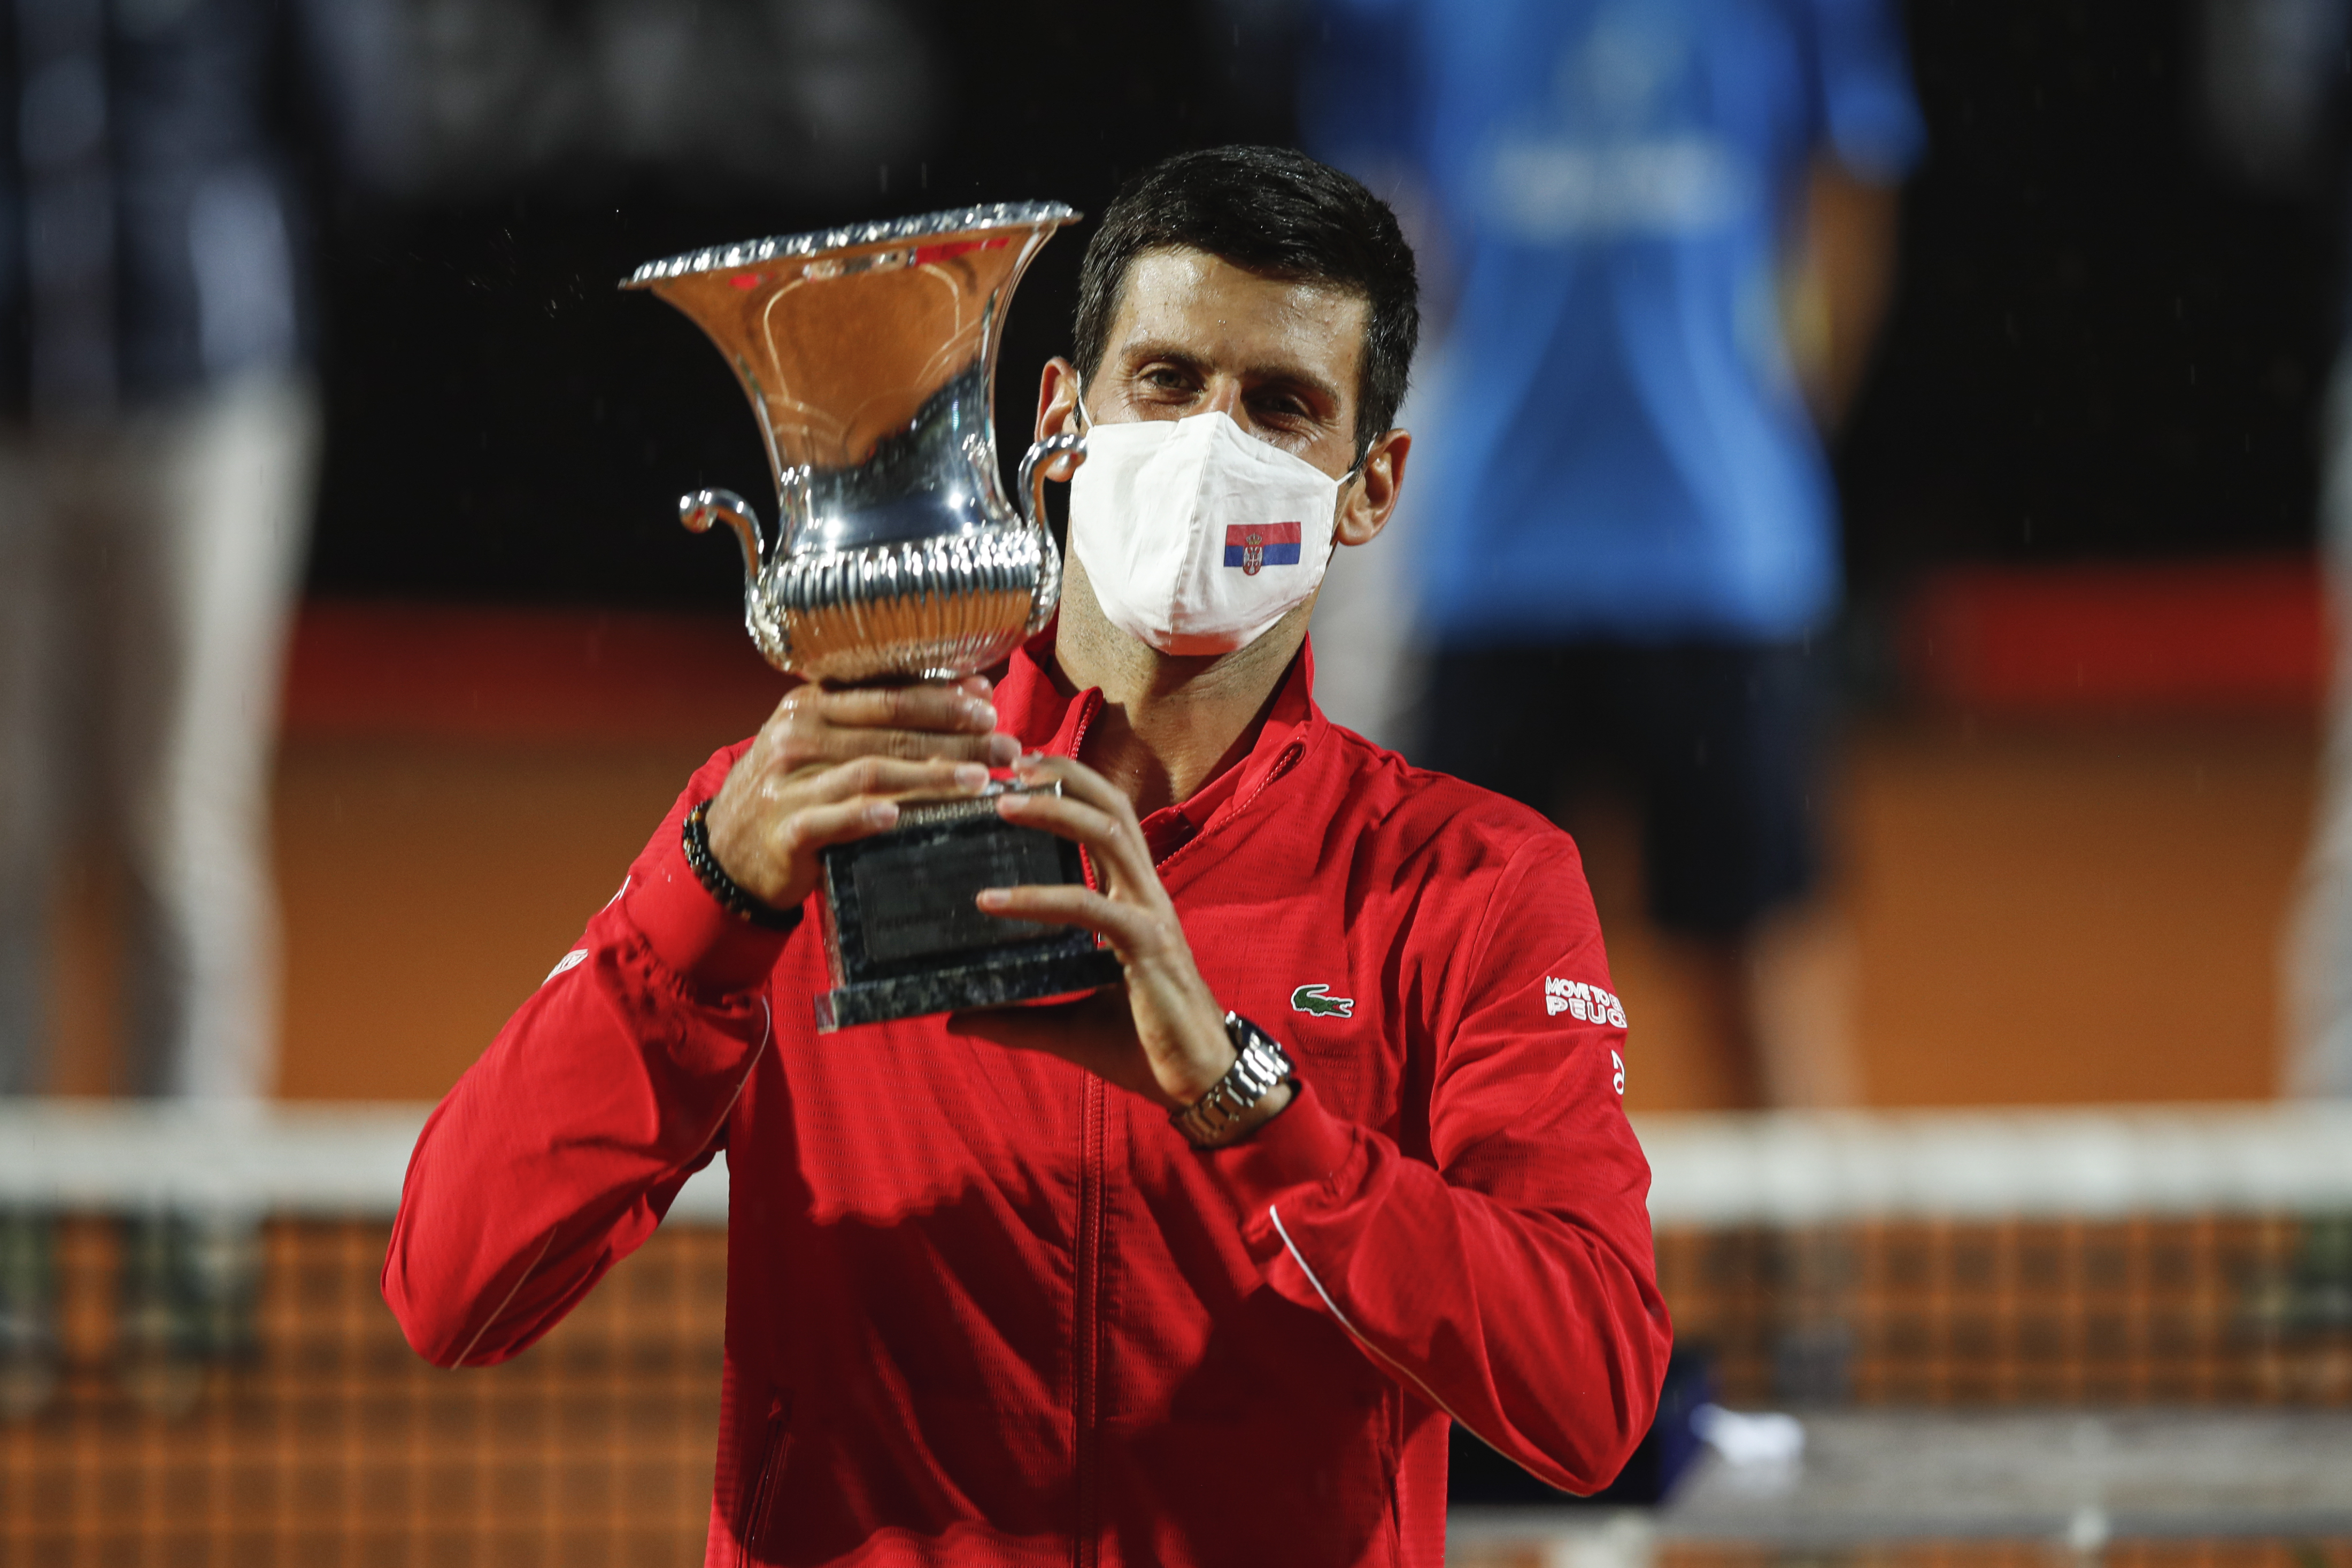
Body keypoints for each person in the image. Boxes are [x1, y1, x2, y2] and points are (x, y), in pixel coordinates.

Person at [383, 146, 1669, 1566]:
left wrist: (1244, 1102)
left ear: (1370, 488)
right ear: (1061, 417)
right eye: (1168, 381)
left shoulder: (1468, 884)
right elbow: (450, 1284)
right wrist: (705, 900)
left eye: (1283, 407)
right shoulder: (808, 822)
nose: (1208, 444)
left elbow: (1594, 1388)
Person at [1302, 0, 1924, 1108]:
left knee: (1763, 978)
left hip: (1720, 562)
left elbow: (1848, 193)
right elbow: (1378, 224)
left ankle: (1810, 1291)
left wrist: (1758, 420)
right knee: (1452, 1008)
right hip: (1487, 558)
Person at [0, 0, 327, 1417]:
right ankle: (8, 1260)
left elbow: (345, 117)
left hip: (211, 400)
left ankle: (188, 1250)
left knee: (176, 830)